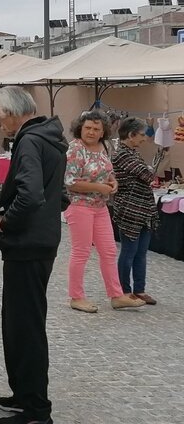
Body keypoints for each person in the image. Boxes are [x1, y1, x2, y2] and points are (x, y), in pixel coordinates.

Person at [0, 86, 66, 424]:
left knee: (26, 327)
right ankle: (24, 393)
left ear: (12, 112)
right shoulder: (49, 138)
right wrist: (46, 213)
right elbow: (59, 195)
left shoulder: (31, 141)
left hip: (28, 246)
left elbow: (32, 193)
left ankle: (36, 410)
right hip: (38, 243)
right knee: (18, 322)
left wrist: (7, 221)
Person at [63, 111, 145, 312]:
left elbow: (108, 172)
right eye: (88, 127)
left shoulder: (105, 147)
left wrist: (113, 182)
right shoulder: (74, 149)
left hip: (100, 208)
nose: (91, 132)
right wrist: (100, 188)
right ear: (80, 128)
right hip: (80, 206)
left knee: (108, 251)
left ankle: (116, 295)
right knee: (81, 252)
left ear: (103, 132)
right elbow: (71, 182)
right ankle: (76, 296)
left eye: (96, 129)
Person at [110, 117, 165, 306]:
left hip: (143, 210)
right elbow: (148, 175)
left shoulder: (132, 153)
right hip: (130, 211)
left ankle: (139, 290)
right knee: (129, 252)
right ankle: (124, 291)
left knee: (141, 253)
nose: (144, 138)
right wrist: (160, 156)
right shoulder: (122, 155)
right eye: (141, 135)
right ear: (131, 135)